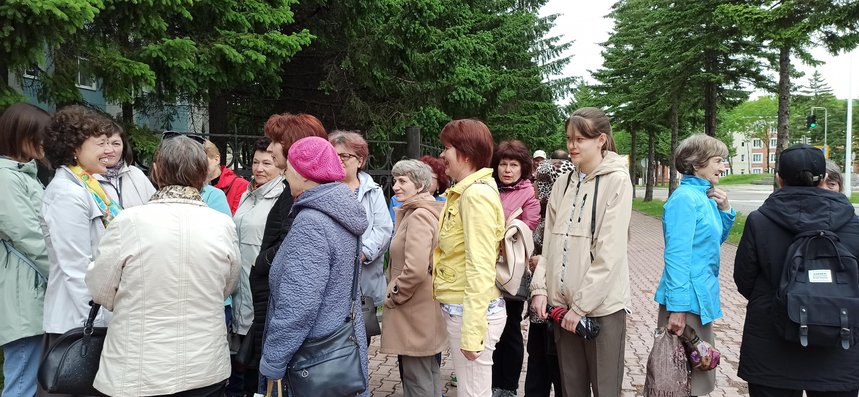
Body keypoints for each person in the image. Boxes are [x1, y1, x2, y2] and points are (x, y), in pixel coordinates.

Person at [86, 135, 241, 396]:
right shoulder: (222, 224)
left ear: (157, 170)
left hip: (139, 368)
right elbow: (227, 285)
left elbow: (101, 290)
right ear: (203, 173)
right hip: (204, 366)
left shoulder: (128, 221)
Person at [734, 144, 859, 397]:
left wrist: (783, 298)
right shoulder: (853, 223)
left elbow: (744, 279)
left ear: (779, 179)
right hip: (838, 342)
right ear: (823, 179)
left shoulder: (760, 220)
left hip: (772, 342)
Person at [530, 107, 633, 397]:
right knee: (571, 389)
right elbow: (549, 243)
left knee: (605, 388)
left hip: (602, 308)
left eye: (580, 139)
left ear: (601, 140)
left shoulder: (617, 180)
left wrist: (580, 307)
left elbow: (609, 253)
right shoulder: (562, 183)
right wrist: (540, 289)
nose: (572, 146)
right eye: (569, 139)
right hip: (562, 307)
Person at [259, 136, 369, 396]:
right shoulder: (340, 210)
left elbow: (298, 305)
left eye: (289, 168)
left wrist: (273, 360)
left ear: (305, 175)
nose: (285, 175)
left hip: (312, 359)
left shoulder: (312, 222)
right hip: (339, 347)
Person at [248, 113, 328, 392]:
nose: (269, 149)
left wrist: (262, 261)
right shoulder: (292, 191)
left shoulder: (307, 205)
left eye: (275, 142)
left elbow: (300, 298)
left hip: (297, 341)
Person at [654, 134, 735, 396]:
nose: (723, 166)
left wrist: (725, 210)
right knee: (682, 380)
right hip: (686, 301)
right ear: (697, 162)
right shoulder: (685, 199)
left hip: (700, 298)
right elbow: (677, 256)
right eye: (718, 160)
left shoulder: (704, 196)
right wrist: (678, 308)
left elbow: (712, 242)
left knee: (699, 374)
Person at [433, 119, 506, 397]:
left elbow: (480, 266)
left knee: (473, 392)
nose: (442, 154)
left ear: (465, 153)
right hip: (463, 309)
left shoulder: (475, 195)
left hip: (471, 313)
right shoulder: (465, 192)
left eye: (447, 147)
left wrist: (473, 332)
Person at [40, 105, 118, 343]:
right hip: (78, 325)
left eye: (109, 142)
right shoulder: (66, 194)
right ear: (75, 149)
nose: (109, 150)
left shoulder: (90, 186)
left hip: (93, 318)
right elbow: (76, 268)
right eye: (101, 143)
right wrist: (95, 324)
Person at [381, 159, 447, 397]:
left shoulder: (418, 215)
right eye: (395, 180)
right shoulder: (423, 211)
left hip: (414, 309)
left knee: (417, 379)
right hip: (422, 307)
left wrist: (394, 294)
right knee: (427, 373)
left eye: (402, 181)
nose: (395, 186)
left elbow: (416, 268)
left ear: (419, 185)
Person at [0, 103, 51, 397]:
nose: (46, 142)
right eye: (41, 135)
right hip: (22, 291)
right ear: (21, 135)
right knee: (21, 382)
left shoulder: (24, 174)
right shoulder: (6, 177)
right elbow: (28, 235)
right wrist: (62, 273)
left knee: (28, 378)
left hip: (31, 287)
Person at [490, 140, 540, 397]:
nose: (507, 170)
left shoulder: (529, 194)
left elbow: (528, 229)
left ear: (523, 168)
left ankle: (507, 386)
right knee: (488, 328)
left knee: (509, 328)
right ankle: (491, 382)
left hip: (510, 270)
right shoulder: (488, 188)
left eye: (513, 165)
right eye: (503, 164)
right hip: (485, 269)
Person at [329, 131, 393, 325]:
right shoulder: (324, 189)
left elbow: (383, 229)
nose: (339, 160)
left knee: (361, 331)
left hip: (364, 277)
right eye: (335, 155)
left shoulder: (373, 191)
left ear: (360, 161)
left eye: (345, 156)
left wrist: (362, 253)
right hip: (331, 273)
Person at [523, 152, 572, 397]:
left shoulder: (566, 221)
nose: (535, 186)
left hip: (557, 307)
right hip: (539, 306)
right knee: (537, 361)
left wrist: (540, 261)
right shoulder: (542, 216)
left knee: (557, 366)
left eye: (540, 182)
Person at [96, 125, 156, 208]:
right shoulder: (84, 177)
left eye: (116, 144)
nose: (109, 150)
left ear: (124, 147)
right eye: (102, 144)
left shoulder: (136, 174)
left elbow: (155, 208)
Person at [389, 155, 449, 222]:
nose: (395, 187)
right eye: (395, 181)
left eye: (429, 177)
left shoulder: (420, 215)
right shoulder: (396, 199)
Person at [204, 139, 250, 215]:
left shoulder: (240, 185)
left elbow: (237, 218)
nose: (198, 165)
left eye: (203, 160)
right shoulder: (192, 184)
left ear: (216, 159)